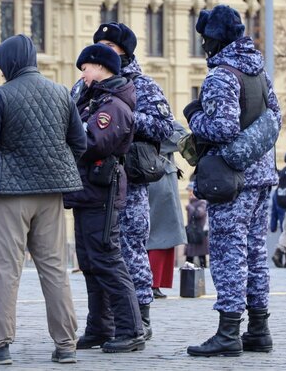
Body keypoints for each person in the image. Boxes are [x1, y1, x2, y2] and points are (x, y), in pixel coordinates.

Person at [0, 34, 86, 365]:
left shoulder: (2, 96)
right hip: (50, 196)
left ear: (11, 63)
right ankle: (66, 345)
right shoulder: (62, 93)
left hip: (8, 196)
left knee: (6, 269)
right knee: (55, 270)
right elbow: (80, 143)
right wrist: (56, 168)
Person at [183, 4, 281, 357]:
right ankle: (258, 328)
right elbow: (274, 117)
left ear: (213, 40)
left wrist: (195, 116)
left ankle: (227, 332)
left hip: (232, 180)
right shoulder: (258, 71)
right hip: (261, 177)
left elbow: (223, 128)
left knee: (228, 253)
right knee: (255, 254)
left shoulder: (222, 76)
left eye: (204, 40)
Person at [75, 22, 174, 340]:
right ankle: (103, 321)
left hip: (130, 178)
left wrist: (123, 118)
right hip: (93, 180)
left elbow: (164, 127)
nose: (104, 52)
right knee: (95, 252)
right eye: (99, 46)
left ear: (124, 53)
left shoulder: (143, 86)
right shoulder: (84, 85)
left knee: (130, 248)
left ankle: (139, 317)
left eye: (111, 47)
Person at [64, 43, 144, 353]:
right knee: (90, 261)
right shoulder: (96, 100)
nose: (82, 75)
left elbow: (91, 141)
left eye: (85, 68)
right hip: (87, 192)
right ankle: (99, 327)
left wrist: (69, 134)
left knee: (108, 260)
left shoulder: (113, 105)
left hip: (102, 192)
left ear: (99, 67)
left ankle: (131, 329)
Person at [147, 121, 189, 299]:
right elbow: (182, 137)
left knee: (154, 232)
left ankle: (152, 282)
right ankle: (153, 282)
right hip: (161, 179)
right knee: (162, 233)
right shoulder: (157, 121)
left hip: (147, 175)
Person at [185, 181, 208, 268]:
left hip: (199, 234)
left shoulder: (202, 202)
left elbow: (199, 213)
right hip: (192, 234)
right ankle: (187, 275)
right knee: (189, 257)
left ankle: (203, 275)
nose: (189, 193)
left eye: (191, 191)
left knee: (201, 257)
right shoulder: (191, 202)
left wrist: (190, 208)